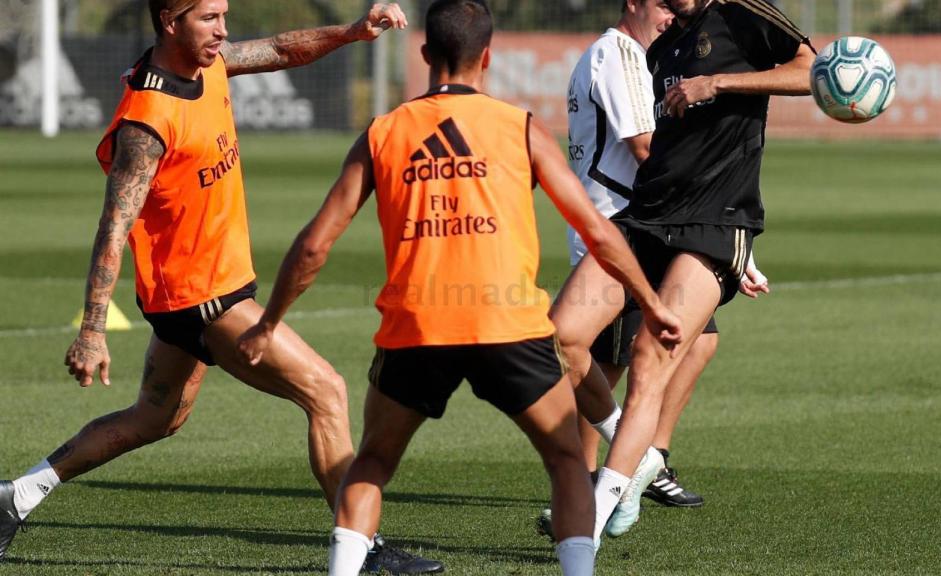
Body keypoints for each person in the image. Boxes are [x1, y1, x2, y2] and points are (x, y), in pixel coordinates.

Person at [234, 1, 684, 574]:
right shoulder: (520, 127)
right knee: (566, 460)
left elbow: (314, 245)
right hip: (508, 325)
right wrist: (651, 302)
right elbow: (597, 230)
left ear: (425, 53)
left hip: (418, 327)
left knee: (371, 462)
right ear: (488, 57)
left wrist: (269, 322)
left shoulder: (384, 132)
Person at [0, 2, 443, 573]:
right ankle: (361, 550)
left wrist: (353, 32)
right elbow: (114, 225)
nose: (223, 30)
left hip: (193, 294)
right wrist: (92, 329)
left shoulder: (207, 65)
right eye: (209, 18)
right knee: (326, 392)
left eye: (223, 15)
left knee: (154, 418)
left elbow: (280, 49)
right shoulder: (147, 122)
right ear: (170, 22)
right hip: (203, 300)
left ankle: (16, 496)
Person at [550, 0, 814, 543]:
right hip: (644, 215)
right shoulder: (663, 43)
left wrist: (717, 83)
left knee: (651, 358)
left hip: (715, 220)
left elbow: (810, 71)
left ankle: (593, 517)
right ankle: (638, 457)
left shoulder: (742, 13)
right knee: (560, 336)